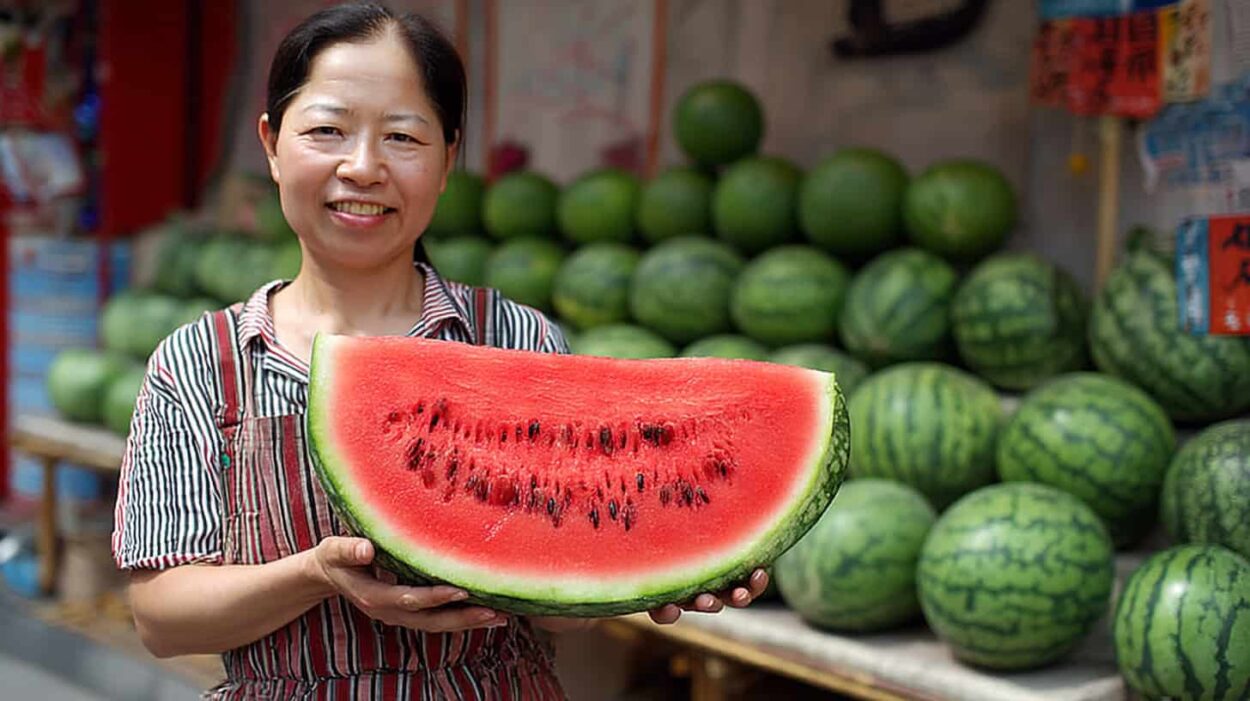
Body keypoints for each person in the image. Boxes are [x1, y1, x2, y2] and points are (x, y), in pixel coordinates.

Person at [111, 3, 768, 698]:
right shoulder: (196, 365)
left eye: (402, 137)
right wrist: (314, 574)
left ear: (449, 158)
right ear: (272, 146)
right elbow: (161, 616)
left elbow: (565, 569)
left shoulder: (520, 342)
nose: (362, 168)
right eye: (328, 130)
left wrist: (656, 570)